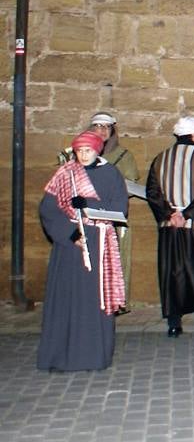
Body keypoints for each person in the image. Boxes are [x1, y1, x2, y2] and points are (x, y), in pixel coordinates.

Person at [37, 130, 128, 372]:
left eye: (88, 150)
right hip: (69, 245)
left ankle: (92, 356)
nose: (84, 155)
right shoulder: (65, 174)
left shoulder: (111, 174)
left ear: (97, 150)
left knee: (93, 300)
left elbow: (119, 208)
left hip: (98, 243)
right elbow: (48, 209)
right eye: (79, 151)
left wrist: (89, 205)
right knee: (66, 298)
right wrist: (69, 234)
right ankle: (60, 356)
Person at [145, 116, 194, 337]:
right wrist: (187, 214)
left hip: (170, 226)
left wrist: (169, 214)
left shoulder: (160, 158)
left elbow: (152, 192)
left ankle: (174, 322)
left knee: (171, 272)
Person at [88, 112, 140, 295]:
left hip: (112, 215)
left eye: (107, 127)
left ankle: (113, 299)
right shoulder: (82, 153)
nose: (102, 131)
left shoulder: (123, 156)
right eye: (99, 126)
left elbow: (130, 184)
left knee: (113, 260)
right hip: (88, 216)